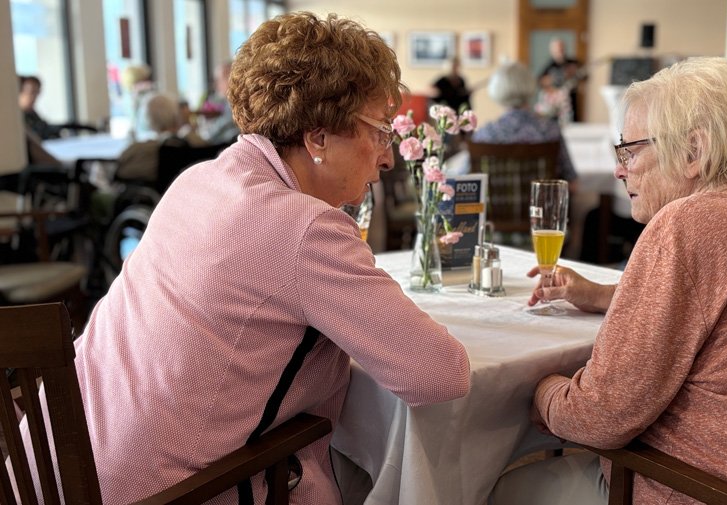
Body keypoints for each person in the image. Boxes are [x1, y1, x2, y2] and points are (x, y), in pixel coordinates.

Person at [26, 12, 470, 505]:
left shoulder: (199, 180)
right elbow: (440, 374)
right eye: (379, 131)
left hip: (45, 469)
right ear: (318, 136)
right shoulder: (302, 228)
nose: (387, 157)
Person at [491, 57, 727, 504]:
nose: (619, 169)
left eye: (629, 150)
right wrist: (598, 295)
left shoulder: (688, 223)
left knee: (498, 487)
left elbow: (601, 416)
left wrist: (544, 392)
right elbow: (726, 309)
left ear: (694, 151)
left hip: (721, 492)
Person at [471, 61, 578, 190]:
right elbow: (572, 184)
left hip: (493, 210)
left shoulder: (484, 134)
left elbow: (466, 182)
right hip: (543, 208)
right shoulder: (550, 131)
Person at [115, 92, 202, 183]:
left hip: (157, 194)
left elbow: (120, 170)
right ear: (176, 114)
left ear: (149, 119)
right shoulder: (196, 141)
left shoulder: (141, 149)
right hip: (192, 192)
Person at [537, 38, 584, 123]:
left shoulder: (573, 62)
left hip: (571, 100)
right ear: (552, 50)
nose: (560, 51)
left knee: (572, 122)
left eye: (561, 48)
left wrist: (575, 72)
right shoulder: (550, 65)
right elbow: (540, 81)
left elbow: (585, 76)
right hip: (556, 103)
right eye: (557, 49)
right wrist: (551, 81)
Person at [199, 60, 241, 144]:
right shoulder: (228, 102)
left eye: (219, 79)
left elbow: (224, 125)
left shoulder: (237, 102)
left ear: (231, 77)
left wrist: (205, 135)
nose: (216, 84)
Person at [18, 75, 62, 140]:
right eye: (31, 92)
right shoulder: (15, 119)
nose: (34, 97)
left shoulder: (33, 115)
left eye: (37, 92)